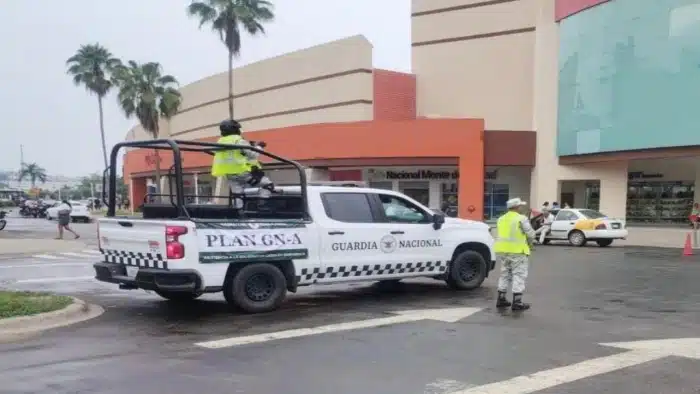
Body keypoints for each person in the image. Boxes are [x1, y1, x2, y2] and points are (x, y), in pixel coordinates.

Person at [211, 119, 274, 209]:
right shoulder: (238, 141)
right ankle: (261, 207)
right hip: (243, 173)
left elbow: (233, 155)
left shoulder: (220, 142)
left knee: (238, 195)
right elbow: (253, 155)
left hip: (229, 174)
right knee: (267, 185)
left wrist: (249, 146)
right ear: (235, 129)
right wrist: (260, 146)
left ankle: (239, 214)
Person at [494, 197, 536, 311]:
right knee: (519, 275)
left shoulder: (501, 219)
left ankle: (501, 298)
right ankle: (517, 302)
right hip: (517, 251)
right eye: (520, 206)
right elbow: (531, 234)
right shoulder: (521, 218)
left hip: (503, 251)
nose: (521, 208)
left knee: (504, 274)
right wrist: (531, 244)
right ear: (517, 207)